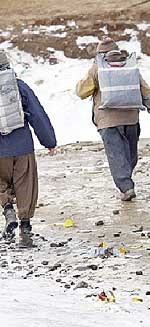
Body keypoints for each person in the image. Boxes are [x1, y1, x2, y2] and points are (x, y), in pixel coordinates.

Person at [75, 37, 150, 201]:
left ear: (100, 54)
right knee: (129, 155)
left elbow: (81, 92)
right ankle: (126, 181)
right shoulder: (130, 66)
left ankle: (126, 187)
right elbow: (145, 90)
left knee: (116, 155)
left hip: (108, 121)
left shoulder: (97, 69)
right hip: (131, 118)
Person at [0, 50, 57, 246]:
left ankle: (8, 210)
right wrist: (49, 141)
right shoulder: (19, 87)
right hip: (23, 146)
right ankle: (25, 224)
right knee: (26, 184)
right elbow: (37, 114)